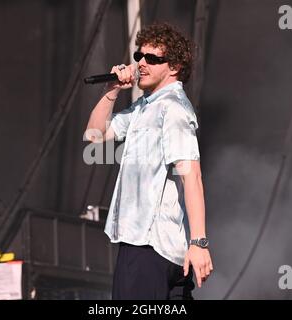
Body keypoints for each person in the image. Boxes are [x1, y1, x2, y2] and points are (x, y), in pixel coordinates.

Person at [85, 22, 213, 300]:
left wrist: (199, 242)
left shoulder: (172, 109)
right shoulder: (145, 106)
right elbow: (95, 136)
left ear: (175, 66)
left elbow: (192, 176)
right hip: (146, 245)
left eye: (153, 59)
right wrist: (112, 90)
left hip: (150, 246)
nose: (142, 63)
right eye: (139, 57)